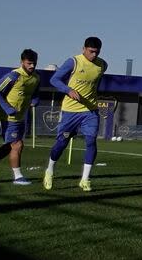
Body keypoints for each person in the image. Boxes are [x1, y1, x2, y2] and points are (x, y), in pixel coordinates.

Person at [44, 37, 108, 192]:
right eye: (91, 51)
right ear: (83, 49)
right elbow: (55, 79)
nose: (93, 55)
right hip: (70, 111)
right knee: (62, 143)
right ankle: (50, 170)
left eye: (96, 52)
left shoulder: (102, 65)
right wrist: (68, 90)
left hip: (90, 111)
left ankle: (85, 179)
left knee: (91, 141)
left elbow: (95, 84)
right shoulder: (73, 62)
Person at [0, 49, 41, 184]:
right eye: (29, 63)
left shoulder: (36, 77)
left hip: (21, 117)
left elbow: (35, 92)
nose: (32, 66)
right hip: (7, 117)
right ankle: (18, 177)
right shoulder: (14, 76)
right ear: (22, 62)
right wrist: (7, 108)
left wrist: (35, 100)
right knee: (17, 144)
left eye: (34, 63)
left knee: (9, 146)